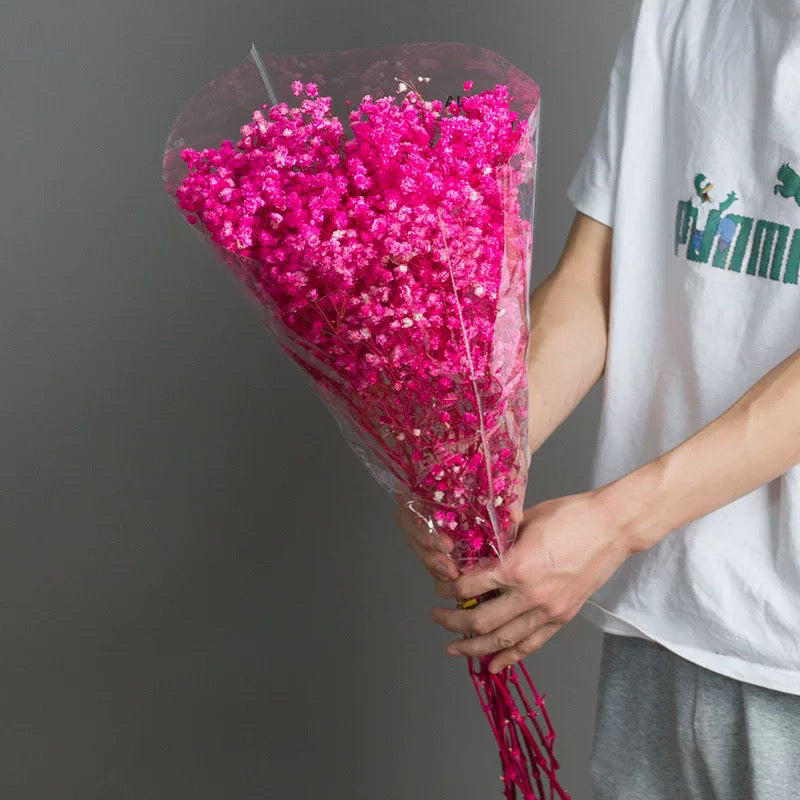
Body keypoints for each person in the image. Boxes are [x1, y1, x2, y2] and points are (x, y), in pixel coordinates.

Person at [398, 0, 800, 796]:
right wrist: (473, 463)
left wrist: (616, 524)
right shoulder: (681, 12)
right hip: (664, 619)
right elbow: (594, 282)